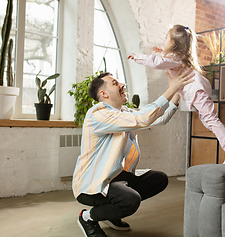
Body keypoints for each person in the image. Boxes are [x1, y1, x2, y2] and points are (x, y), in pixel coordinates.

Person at [72, 69, 194, 237]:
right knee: (130, 200)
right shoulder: (98, 114)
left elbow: (158, 119)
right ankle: (88, 217)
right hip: (91, 185)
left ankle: (111, 213)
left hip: (116, 177)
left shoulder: (125, 113)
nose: (122, 85)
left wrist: (177, 93)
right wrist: (171, 88)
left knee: (159, 179)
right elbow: (142, 118)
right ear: (103, 93)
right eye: (115, 83)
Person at [128, 24, 225, 164]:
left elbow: (156, 62)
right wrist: (162, 52)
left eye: (166, 37)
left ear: (173, 43)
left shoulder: (173, 58)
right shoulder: (176, 57)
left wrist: (137, 57)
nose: (164, 39)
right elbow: (164, 60)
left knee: (211, 120)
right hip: (197, 92)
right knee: (209, 122)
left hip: (197, 91)